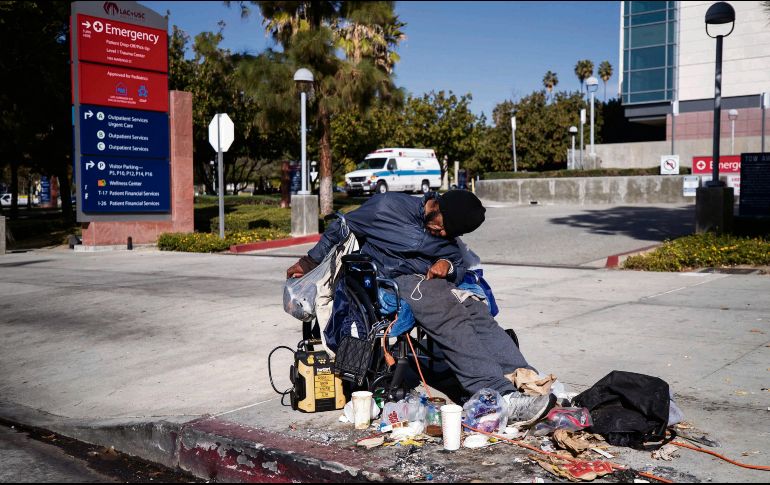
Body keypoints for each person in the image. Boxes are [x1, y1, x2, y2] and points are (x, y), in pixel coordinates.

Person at [286, 190, 553, 426]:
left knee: (475, 308)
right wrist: (308, 262)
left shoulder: (446, 233)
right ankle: (497, 395)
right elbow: (342, 228)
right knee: (447, 312)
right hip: (390, 279)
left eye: (452, 233)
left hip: (430, 281)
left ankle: (527, 381)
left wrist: (447, 266)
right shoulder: (387, 208)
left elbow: (458, 262)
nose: (444, 233)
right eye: (442, 226)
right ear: (436, 206)